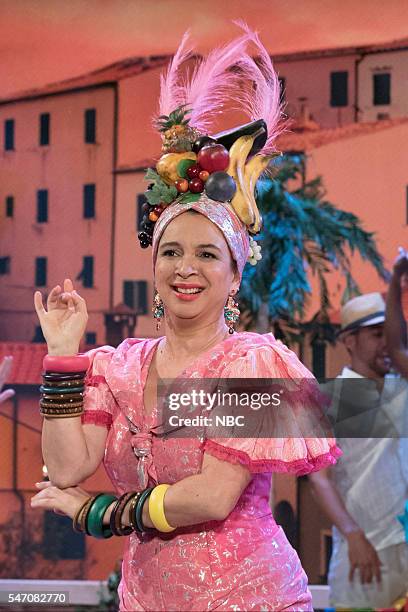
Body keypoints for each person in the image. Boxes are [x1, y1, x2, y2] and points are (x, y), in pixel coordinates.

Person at [30, 27, 340, 611]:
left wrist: (96, 512)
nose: (185, 269)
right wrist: (62, 357)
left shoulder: (251, 363)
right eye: (171, 252)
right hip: (146, 597)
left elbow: (212, 498)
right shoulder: (118, 369)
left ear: (234, 275)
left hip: (250, 598)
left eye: (205, 254)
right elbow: (70, 465)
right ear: (153, 266)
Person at [309, 292, 408, 609]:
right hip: (366, 555)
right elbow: (319, 479)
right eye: (377, 334)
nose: (387, 343)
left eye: (392, 334)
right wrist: (352, 534)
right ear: (350, 340)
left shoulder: (400, 387)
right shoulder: (332, 399)